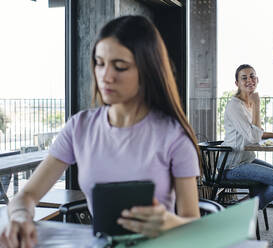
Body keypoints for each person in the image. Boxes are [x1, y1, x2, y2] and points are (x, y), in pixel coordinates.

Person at [0, 15, 200, 248]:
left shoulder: (173, 136)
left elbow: (192, 222)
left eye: (120, 66)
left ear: (147, 70)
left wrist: (169, 223)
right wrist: (21, 216)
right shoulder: (79, 127)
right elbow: (26, 196)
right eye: (99, 63)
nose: (106, 76)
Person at [221, 64, 273, 210]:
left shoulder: (247, 104)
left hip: (246, 159)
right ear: (237, 83)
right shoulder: (234, 106)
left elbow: (256, 132)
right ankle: (240, 210)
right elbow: (253, 138)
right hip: (232, 166)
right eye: (244, 78)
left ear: (257, 79)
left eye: (252, 76)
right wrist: (257, 105)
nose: (249, 80)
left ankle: (243, 207)